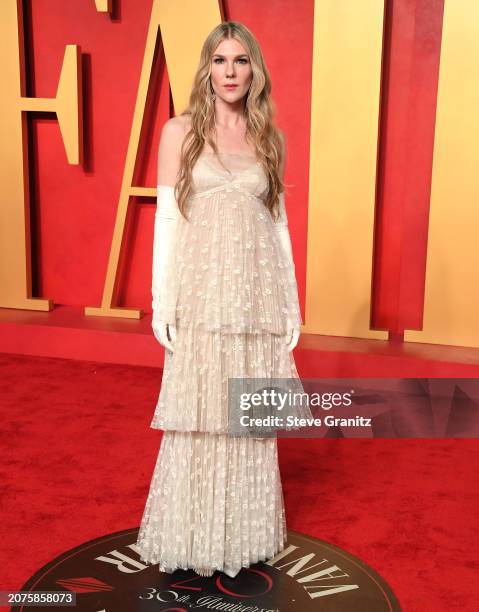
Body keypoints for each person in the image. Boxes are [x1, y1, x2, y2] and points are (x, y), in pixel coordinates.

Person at [135, 20, 309, 579]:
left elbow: (278, 226)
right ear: (206, 69)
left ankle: (246, 533)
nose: (230, 72)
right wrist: (163, 303)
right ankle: (193, 534)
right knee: (202, 415)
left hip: (255, 301)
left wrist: (291, 303)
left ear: (254, 70)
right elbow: (166, 221)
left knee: (247, 417)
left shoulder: (269, 138)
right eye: (220, 61)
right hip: (203, 297)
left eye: (240, 61)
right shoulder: (179, 132)